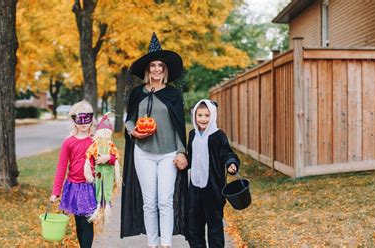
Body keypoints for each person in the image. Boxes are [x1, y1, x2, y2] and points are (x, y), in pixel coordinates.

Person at [121, 32, 189, 248]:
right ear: (148, 69)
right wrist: (134, 132)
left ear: (165, 69)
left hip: (168, 153)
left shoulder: (173, 94)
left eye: (160, 65)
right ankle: (153, 243)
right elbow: (129, 119)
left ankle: (166, 244)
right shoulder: (137, 93)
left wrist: (181, 152)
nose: (157, 69)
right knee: (149, 203)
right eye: (153, 65)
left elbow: (179, 125)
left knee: (165, 201)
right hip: (143, 153)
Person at [49, 100, 117, 248]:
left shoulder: (97, 141)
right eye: (79, 119)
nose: (83, 123)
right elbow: (61, 168)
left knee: (87, 224)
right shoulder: (68, 142)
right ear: (74, 120)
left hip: (90, 187)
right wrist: (56, 192)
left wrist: (108, 158)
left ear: (92, 119)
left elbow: (113, 157)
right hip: (74, 187)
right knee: (79, 224)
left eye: (87, 118)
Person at [187, 99, 240, 248]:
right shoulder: (193, 135)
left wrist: (231, 163)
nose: (203, 119)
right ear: (195, 116)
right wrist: (181, 161)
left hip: (213, 190)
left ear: (213, 116)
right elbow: (190, 157)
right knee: (194, 228)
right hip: (195, 189)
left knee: (214, 228)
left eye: (207, 115)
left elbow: (228, 153)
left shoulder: (218, 136)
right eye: (200, 115)